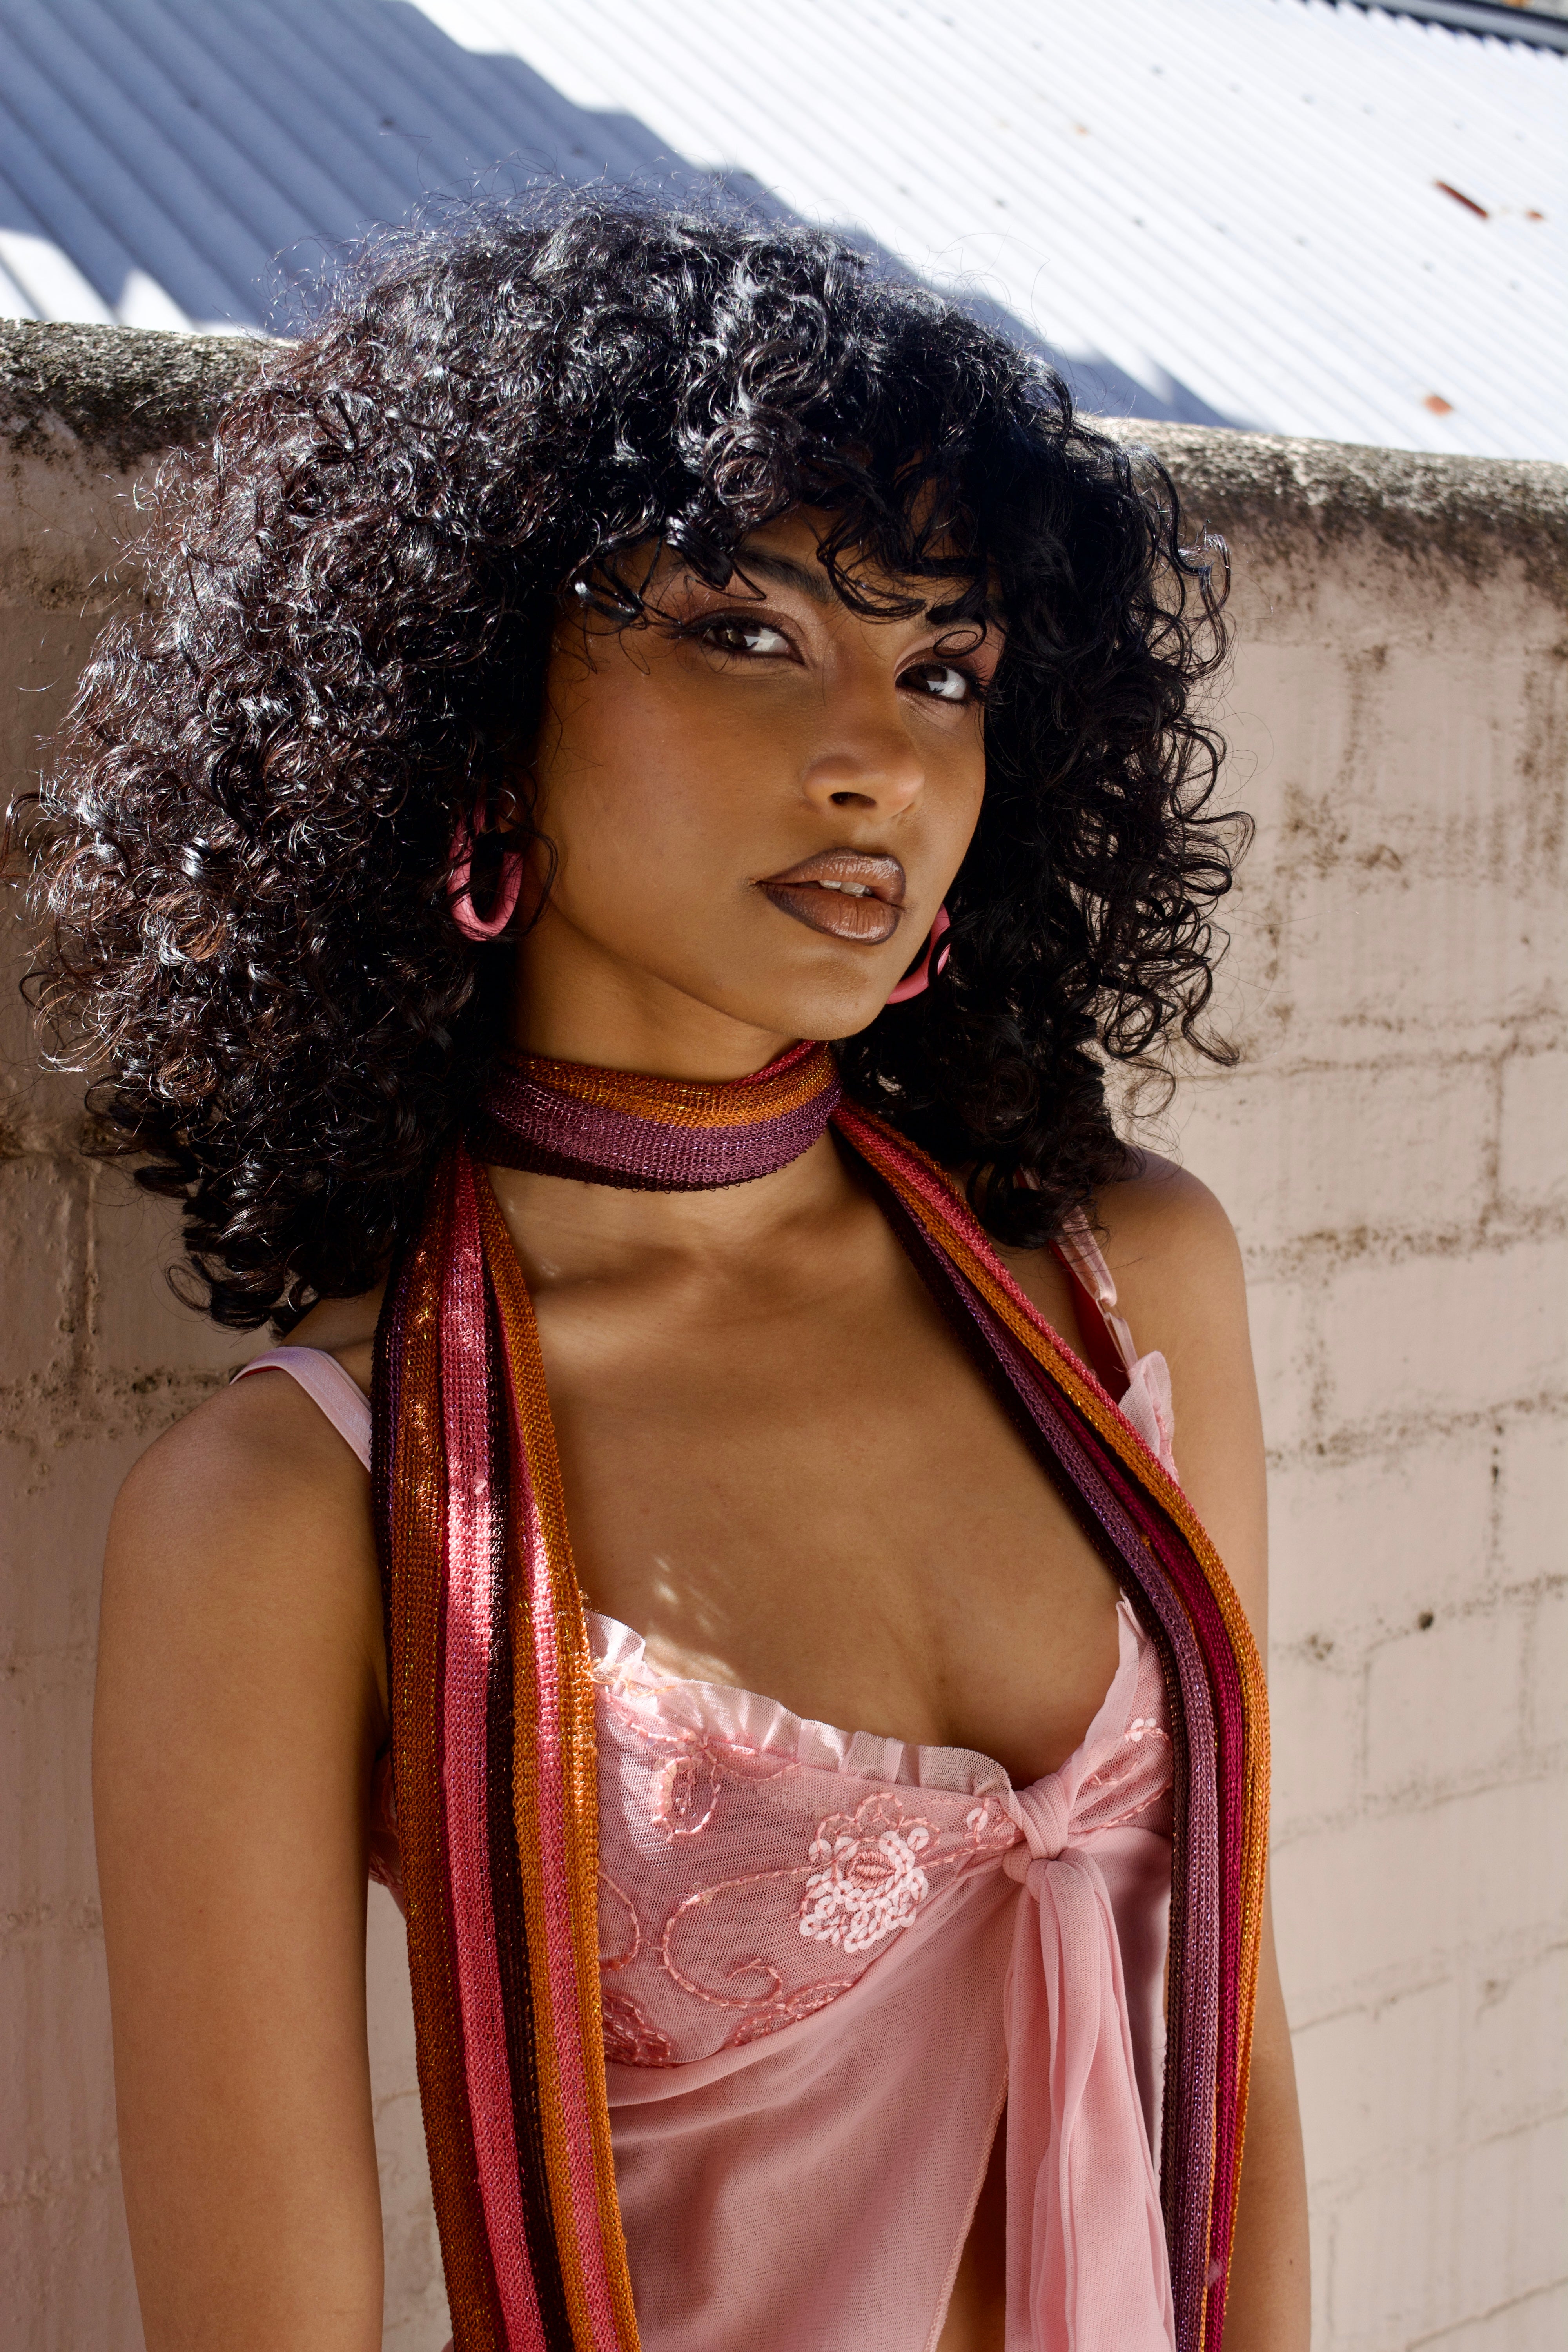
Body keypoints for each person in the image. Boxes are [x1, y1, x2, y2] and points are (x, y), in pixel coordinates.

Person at [34, 196, 1308, 2351]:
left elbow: (1243, 2071)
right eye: (745, 631)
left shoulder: (1127, 1288)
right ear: (463, 695)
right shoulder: (301, 1510)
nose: (883, 756)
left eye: (945, 669)